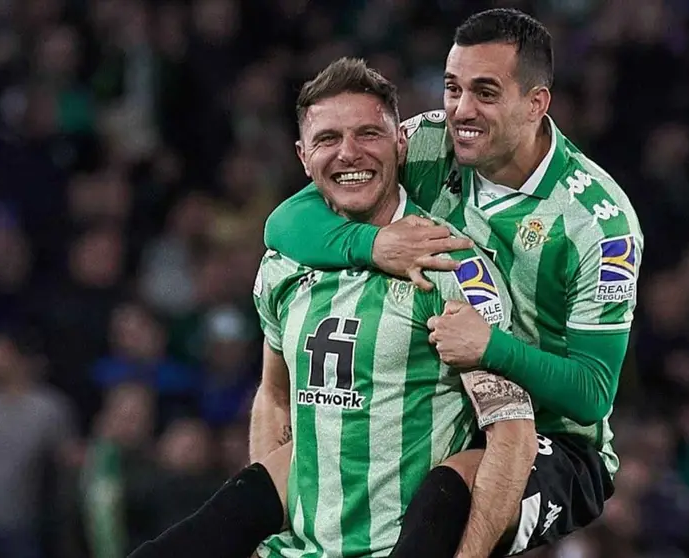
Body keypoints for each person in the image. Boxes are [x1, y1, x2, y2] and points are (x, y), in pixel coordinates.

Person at [263, 8, 643, 553]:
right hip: (448, 409)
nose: (461, 111)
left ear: (536, 103)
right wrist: (375, 244)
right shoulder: (426, 143)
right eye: (452, 88)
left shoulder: (599, 225)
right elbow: (285, 222)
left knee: (443, 499)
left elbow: (591, 394)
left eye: (485, 93)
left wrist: (492, 347)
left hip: (553, 439)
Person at [128, 57, 537, 558]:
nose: (348, 153)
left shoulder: (454, 267)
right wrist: (269, 534)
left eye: (369, 133)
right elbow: (275, 397)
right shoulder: (284, 264)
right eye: (327, 139)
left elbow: (512, 433)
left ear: (400, 143)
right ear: (303, 157)